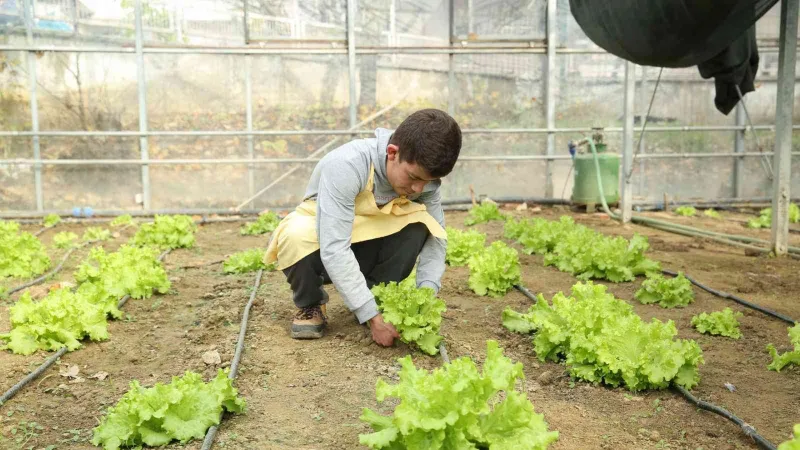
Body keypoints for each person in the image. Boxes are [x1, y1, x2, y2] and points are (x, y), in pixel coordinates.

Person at [264, 108, 461, 347]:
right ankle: (311, 303)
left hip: (369, 241)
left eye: (427, 182)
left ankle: (376, 296)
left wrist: (426, 295)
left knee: (420, 224)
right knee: (295, 235)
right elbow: (334, 246)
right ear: (392, 153)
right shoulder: (347, 165)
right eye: (413, 178)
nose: (419, 189)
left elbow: (437, 237)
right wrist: (370, 316)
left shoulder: (425, 182)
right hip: (325, 240)